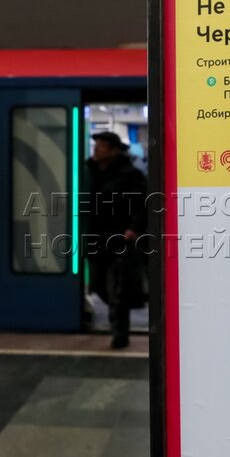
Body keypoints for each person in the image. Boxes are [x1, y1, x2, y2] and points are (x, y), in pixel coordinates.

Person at [84, 131, 148, 349]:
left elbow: (143, 205)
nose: (96, 150)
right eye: (96, 146)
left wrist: (133, 229)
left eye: (101, 146)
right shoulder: (90, 172)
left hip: (119, 240)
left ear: (114, 151)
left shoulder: (130, 175)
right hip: (96, 240)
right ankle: (116, 318)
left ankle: (120, 334)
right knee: (98, 285)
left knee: (118, 289)